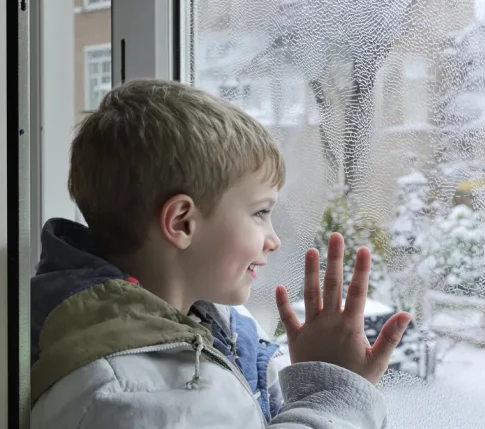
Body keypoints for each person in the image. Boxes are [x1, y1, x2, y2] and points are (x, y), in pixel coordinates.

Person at [30, 79, 411, 429]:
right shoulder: (132, 394)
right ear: (182, 223)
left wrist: (314, 372)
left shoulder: (204, 324)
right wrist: (333, 396)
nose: (273, 239)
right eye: (260, 213)